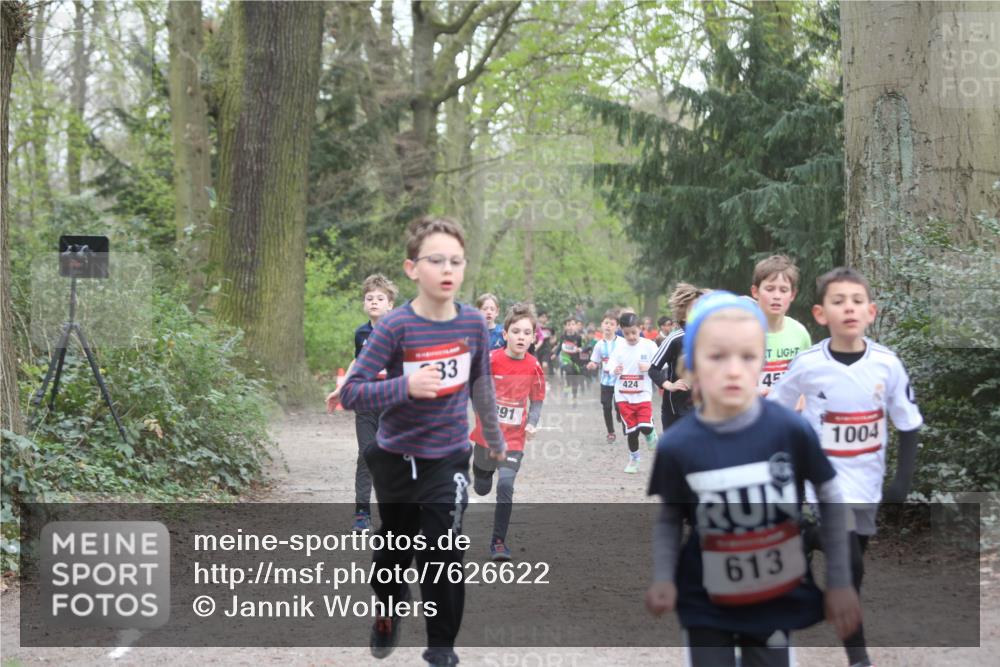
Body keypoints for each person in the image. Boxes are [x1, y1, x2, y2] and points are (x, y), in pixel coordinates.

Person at [646, 291, 861, 667]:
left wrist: (840, 582)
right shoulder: (678, 445)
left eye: (746, 357)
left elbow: (830, 499)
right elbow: (669, 519)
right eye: (717, 356)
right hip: (705, 599)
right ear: (691, 365)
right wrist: (664, 577)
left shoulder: (790, 431)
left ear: (761, 361)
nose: (733, 370)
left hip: (773, 597)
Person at [339, 215, 506, 667]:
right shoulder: (395, 327)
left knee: (443, 551)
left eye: (456, 261)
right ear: (412, 269)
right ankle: (389, 608)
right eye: (436, 260)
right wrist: (404, 387)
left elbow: (481, 382)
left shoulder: (472, 323)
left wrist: (492, 436)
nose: (447, 269)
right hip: (396, 459)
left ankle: (441, 650)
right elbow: (352, 392)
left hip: (447, 461)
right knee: (393, 553)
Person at [769, 267, 923, 667]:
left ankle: (806, 538)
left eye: (857, 301)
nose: (849, 308)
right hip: (822, 485)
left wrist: (902, 481)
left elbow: (908, 423)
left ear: (871, 311)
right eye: (838, 302)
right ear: (821, 314)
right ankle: (859, 658)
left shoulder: (887, 364)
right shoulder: (808, 364)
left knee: (852, 574)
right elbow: (775, 414)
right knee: (847, 560)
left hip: (867, 487)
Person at [470, 303, 545, 561]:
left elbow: (537, 400)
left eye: (527, 332)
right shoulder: (491, 360)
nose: (521, 337)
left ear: (533, 338)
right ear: (505, 334)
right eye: (516, 331)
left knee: (505, 485)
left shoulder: (534, 366)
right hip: (486, 436)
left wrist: (532, 422)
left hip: (514, 438)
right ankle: (481, 472)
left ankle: (498, 543)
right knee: (482, 487)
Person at [326, 274, 398, 533]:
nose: (374, 302)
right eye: (369, 298)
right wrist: (341, 388)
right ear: (364, 303)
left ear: (390, 304)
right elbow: (358, 362)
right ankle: (362, 513)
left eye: (380, 298)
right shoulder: (361, 333)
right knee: (366, 455)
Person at [648, 283, 707, 431]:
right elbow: (653, 369)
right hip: (676, 410)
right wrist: (670, 385)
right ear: (683, 313)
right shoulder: (675, 339)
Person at [751, 255, 812, 394]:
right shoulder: (741, 334)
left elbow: (806, 380)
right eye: (770, 289)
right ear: (755, 292)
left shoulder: (800, 333)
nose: (777, 296)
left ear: (792, 295)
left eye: (783, 290)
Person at [609, 312, 659, 473]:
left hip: (643, 393)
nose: (631, 337)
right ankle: (634, 459)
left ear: (640, 329)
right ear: (621, 331)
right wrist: (614, 370)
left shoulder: (649, 345)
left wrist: (649, 367)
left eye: (634, 332)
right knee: (632, 431)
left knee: (644, 426)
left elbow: (662, 365)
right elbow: (609, 365)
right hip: (623, 395)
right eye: (626, 333)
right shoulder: (619, 347)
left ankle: (651, 434)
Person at [587, 310, 625, 443]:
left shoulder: (622, 343)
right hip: (605, 381)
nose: (608, 326)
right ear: (602, 325)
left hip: (620, 381)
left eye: (612, 324)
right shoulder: (599, 345)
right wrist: (592, 365)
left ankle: (620, 414)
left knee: (619, 405)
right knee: (606, 406)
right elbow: (595, 361)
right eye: (606, 323)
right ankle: (611, 432)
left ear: (617, 327)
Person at [555, 317, 584, 406]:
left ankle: (574, 397)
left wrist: (580, 349)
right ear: (565, 327)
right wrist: (555, 354)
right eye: (568, 325)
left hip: (575, 359)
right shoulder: (563, 336)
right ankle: (567, 385)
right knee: (568, 370)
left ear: (576, 326)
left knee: (575, 378)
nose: (571, 326)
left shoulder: (578, 337)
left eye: (573, 324)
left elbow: (581, 347)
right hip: (565, 358)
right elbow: (560, 346)